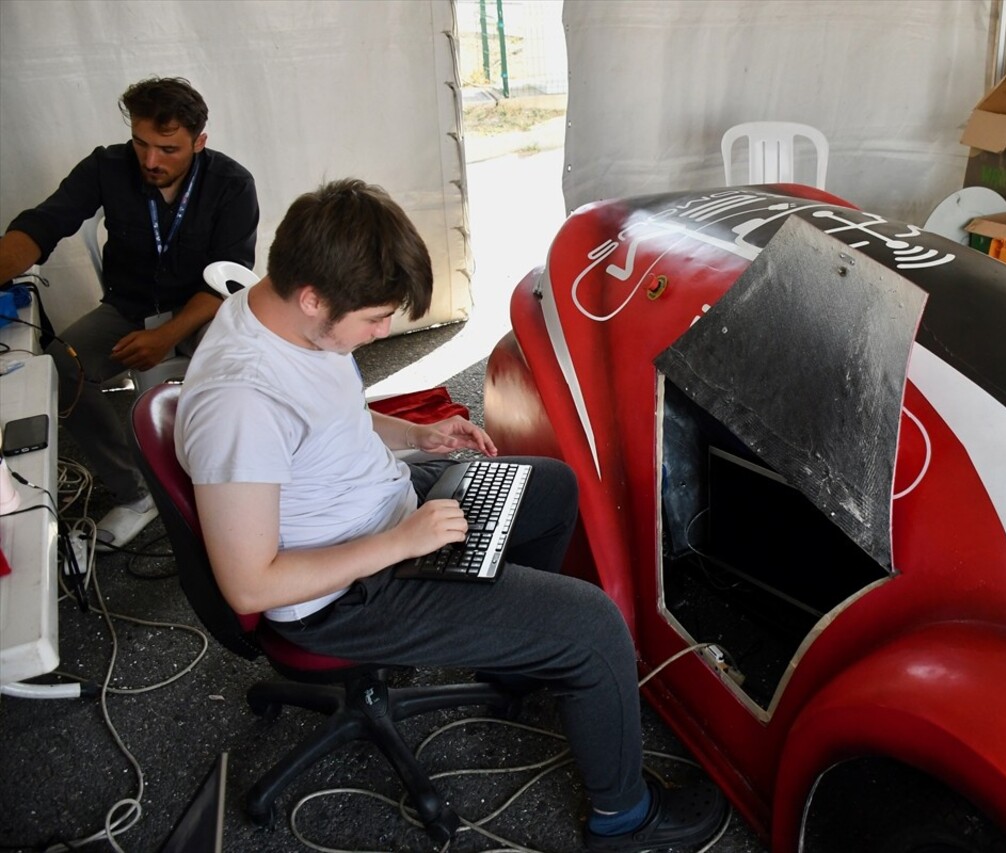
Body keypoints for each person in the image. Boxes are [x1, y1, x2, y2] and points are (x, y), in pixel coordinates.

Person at [173, 179, 727, 851]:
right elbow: (251, 584)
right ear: (312, 297)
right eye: (376, 321)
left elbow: (329, 422)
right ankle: (625, 818)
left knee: (550, 487)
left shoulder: (290, 317)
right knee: (592, 625)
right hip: (342, 592)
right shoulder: (240, 402)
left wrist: (419, 436)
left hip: (384, 508)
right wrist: (404, 540)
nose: (383, 334)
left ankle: (510, 660)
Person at [0, 77, 259, 549]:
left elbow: (227, 277)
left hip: (202, 311)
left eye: (168, 148)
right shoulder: (107, 166)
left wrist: (167, 336)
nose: (150, 160)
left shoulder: (232, 184)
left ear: (199, 142)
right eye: (140, 143)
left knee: (242, 365)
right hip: (130, 307)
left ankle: (239, 480)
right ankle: (134, 491)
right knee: (61, 364)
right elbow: (43, 225)